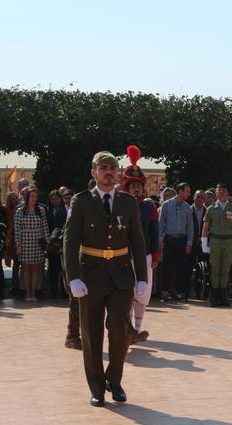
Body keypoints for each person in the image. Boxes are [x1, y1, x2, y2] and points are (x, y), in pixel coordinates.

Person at [64, 151, 147, 407]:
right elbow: (70, 242)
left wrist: (142, 278)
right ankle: (97, 387)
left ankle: (115, 379)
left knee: (120, 330)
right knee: (91, 333)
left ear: (118, 173)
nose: (108, 171)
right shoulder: (81, 202)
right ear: (94, 173)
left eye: (112, 167)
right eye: (103, 168)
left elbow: (138, 240)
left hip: (121, 275)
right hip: (90, 275)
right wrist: (73, 278)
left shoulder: (127, 202)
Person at [122, 163, 160, 341]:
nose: (136, 189)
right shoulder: (119, 205)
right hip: (123, 255)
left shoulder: (149, 207)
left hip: (144, 256)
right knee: (126, 293)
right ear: (127, 187)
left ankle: (137, 329)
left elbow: (154, 231)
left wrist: (155, 254)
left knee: (142, 294)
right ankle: (127, 329)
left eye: (139, 186)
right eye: (133, 186)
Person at [201, 184, 232, 306]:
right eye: (219, 190)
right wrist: (204, 244)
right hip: (215, 240)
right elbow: (205, 228)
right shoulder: (211, 209)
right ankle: (214, 296)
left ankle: (224, 296)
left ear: (227, 193)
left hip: (228, 241)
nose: (222, 192)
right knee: (215, 269)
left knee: (225, 269)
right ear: (216, 192)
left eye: (224, 190)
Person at [158, 183, 193, 302]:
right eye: (187, 191)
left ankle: (179, 292)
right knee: (167, 266)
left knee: (181, 267)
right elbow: (161, 222)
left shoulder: (188, 208)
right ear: (180, 191)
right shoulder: (167, 205)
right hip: (169, 239)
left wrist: (189, 243)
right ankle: (164, 292)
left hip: (182, 240)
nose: (189, 194)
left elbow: (190, 226)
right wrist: (160, 240)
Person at [14, 186, 49, 302]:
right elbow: (17, 229)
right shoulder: (20, 211)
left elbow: (45, 227)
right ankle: (27, 292)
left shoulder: (41, 210)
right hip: (25, 242)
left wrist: (47, 242)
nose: (34, 198)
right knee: (25, 269)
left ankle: (33, 292)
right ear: (27, 197)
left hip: (37, 243)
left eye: (35, 196)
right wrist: (18, 245)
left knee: (35, 269)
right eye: (31, 196)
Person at [46, 189, 68, 298]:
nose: (54, 201)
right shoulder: (47, 211)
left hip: (62, 242)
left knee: (63, 268)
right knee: (53, 269)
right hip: (51, 243)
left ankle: (64, 292)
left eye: (57, 199)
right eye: (52, 199)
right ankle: (53, 291)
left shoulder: (65, 210)